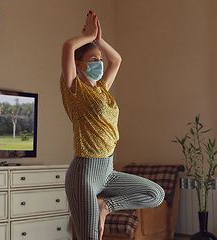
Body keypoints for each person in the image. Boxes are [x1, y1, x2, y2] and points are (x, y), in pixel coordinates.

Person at [60, 11, 165, 240]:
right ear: (78, 65)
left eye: (100, 58)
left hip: (107, 171)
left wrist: (98, 39)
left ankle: (104, 206)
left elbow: (116, 59)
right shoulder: (75, 90)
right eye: (94, 59)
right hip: (84, 173)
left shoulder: (102, 89)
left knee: (155, 193)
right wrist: (87, 36)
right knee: (91, 238)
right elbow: (68, 46)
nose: (100, 62)